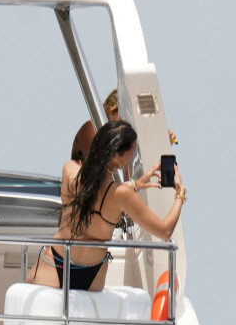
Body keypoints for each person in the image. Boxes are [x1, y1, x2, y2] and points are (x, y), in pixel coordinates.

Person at [26, 120, 186, 292]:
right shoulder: (121, 195)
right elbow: (164, 231)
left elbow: (93, 190)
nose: (131, 157)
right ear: (117, 155)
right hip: (92, 273)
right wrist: (180, 193)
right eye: (130, 153)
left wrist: (136, 184)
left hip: (54, 262)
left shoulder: (70, 170)